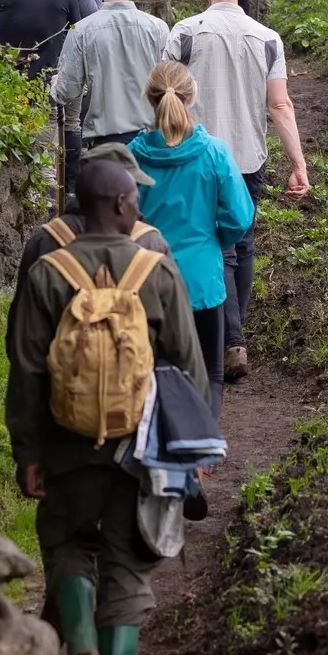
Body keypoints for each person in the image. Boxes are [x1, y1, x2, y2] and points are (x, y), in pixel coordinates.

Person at [7, 157, 207, 655]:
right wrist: (187, 452)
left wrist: (28, 452)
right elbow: (189, 368)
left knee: (68, 542)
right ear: (121, 204)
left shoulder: (49, 270)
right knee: (128, 561)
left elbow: (25, 369)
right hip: (138, 447)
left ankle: (79, 639)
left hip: (65, 441)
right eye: (135, 200)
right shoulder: (156, 271)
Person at [164, 0, 311, 383]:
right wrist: (298, 164)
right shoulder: (267, 38)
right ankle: (234, 335)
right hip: (248, 158)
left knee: (211, 245)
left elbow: (163, 96)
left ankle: (227, 338)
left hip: (196, 156)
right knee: (241, 244)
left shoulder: (186, 32)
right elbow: (280, 105)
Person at [129, 62, 254, 415]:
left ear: (149, 99)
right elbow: (240, 216)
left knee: (152, 372)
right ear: (192, 95)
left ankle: (158, 447)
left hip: (147, 279)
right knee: (210, 373)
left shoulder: (132, 156)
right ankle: (202, 456)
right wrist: (216, 238)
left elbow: (118, 220)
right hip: (201, 280)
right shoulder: (213, 151)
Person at [50, 0, 169, 152]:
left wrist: (55, 87)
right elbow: (169, 81)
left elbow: (68, 90)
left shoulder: (82, 30)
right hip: (152, 137)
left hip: (105, 139)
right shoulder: (158, 28)